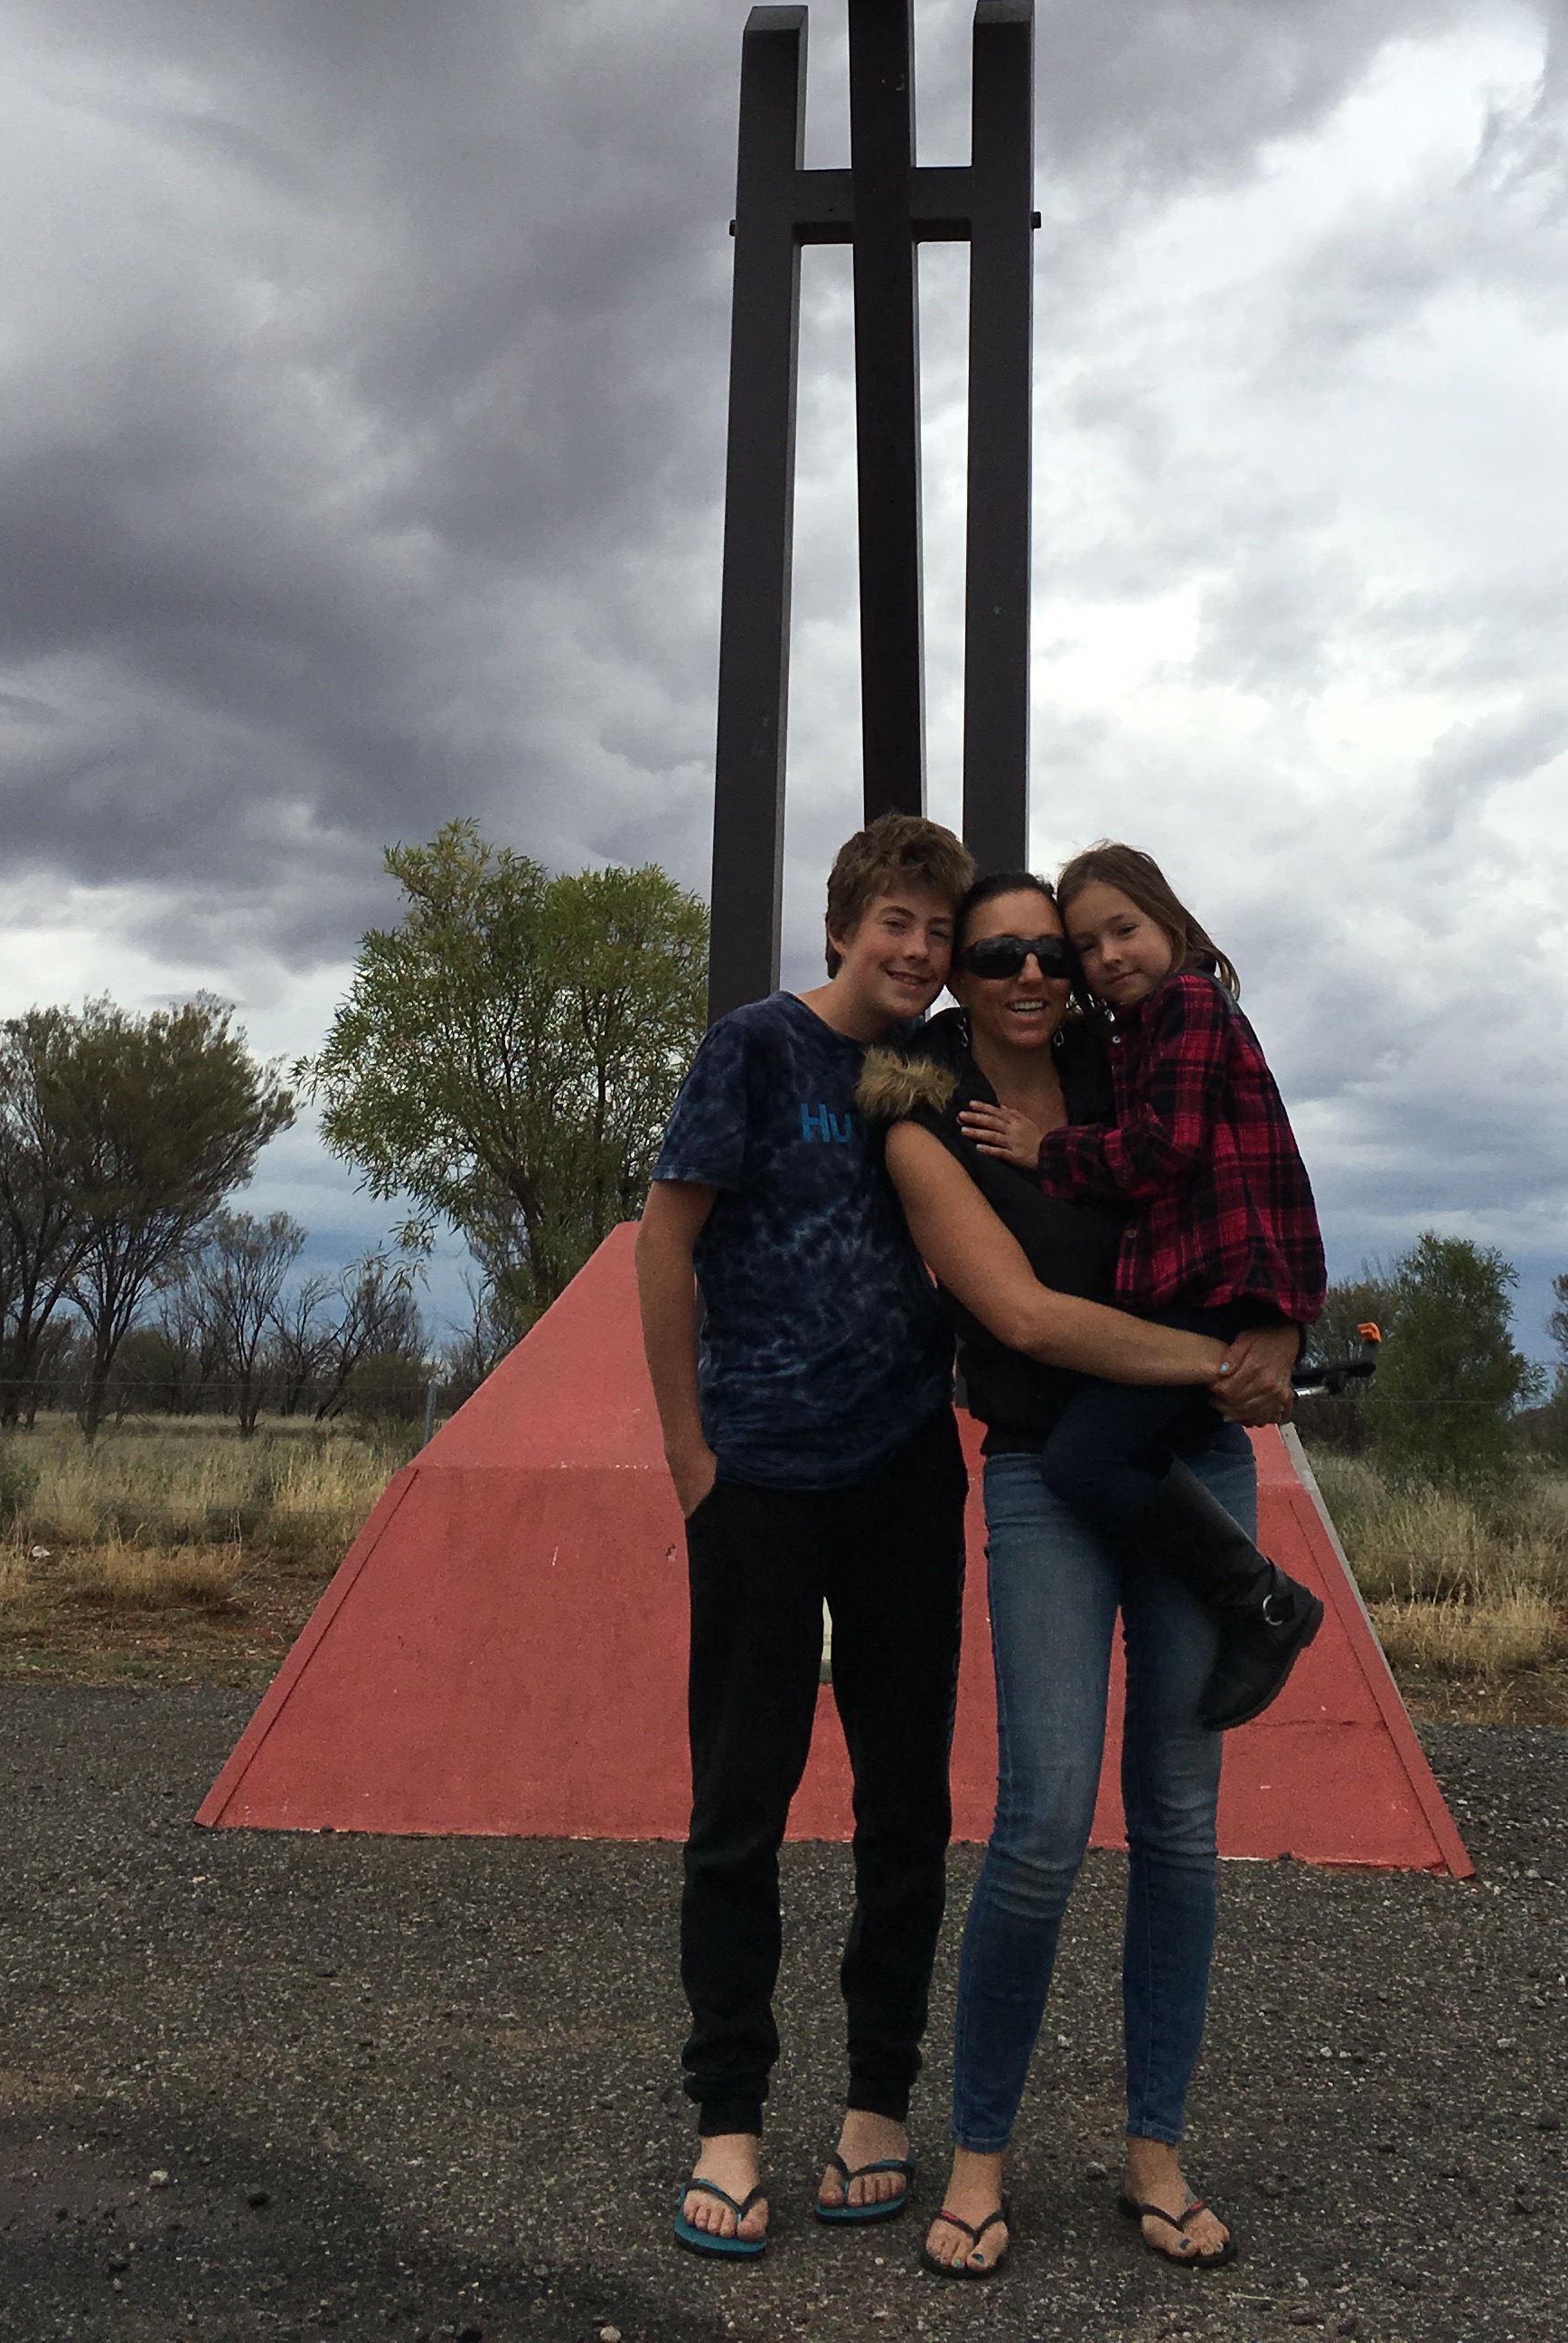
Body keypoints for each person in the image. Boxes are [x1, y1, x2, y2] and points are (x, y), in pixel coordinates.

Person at [869, 870, 1303, 2282]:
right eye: (998, 953)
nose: (1033, 974)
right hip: (1047, 1472)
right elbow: (1024, 1317)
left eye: (1051, 951)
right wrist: (1229, 1361)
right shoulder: (927, 1117)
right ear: (959, 974)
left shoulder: (1139, 1058)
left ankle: (1156, 2153)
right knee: (1045, 1820)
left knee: (1177, 1820)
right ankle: (979, 2157)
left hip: (1196, 1460)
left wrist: (1282, 1331)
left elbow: (1249, 1174)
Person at [634, 811, 975, 2263]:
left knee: (905, 1804)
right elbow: (667, 1240)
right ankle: (728, 2122)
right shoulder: (757, 1051)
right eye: (895, 923)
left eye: (939, 933)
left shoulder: (933, 1068)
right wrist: (689, 1457)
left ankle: (878, 2106)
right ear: (840, 929)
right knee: (741, 1803)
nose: (917, 950)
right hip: (761, 1475)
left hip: (905, 1473)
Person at [958, 841, 1327, 1738]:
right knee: (1101, 1455)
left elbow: (1168, 1147)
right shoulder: (1130, 1034)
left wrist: (1047, 1149)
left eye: (1122, 931)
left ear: (1170, 920)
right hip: (1200, 1286)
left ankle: (1264, 1601)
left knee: (1082, 1460)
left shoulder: (1190, 1005)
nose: (1107, 957)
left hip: (1213, 1281)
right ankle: (1251, 1597)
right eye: (1088, 946)